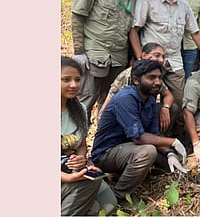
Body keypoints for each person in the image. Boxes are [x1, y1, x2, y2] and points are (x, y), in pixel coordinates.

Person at [91, 59, 188, 204]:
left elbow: (153, 135)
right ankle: (120, 195)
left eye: (159, 78)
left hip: (130, 148)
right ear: (136, 80)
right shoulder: (126, 98)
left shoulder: (149, 99)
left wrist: (170, 153)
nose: (158, 82)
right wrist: (173, 142)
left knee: (170, 167)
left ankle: (132, 174)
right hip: (107, 153)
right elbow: (139, 138)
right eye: (151, 78)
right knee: (148, 152)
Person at [129, 0, 200, 113]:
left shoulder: (184, 6)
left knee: (179, 102)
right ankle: (146, 134)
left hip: (174, 61)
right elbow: (134, 30)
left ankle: (174, 134)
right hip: (151, 60)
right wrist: (140, 59)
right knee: (145, 100)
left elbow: (195, 33)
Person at [72, 0, 140, 124]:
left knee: (109, 105)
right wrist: (79, 52)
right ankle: (71, 145)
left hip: (118, 58)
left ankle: (101, 146)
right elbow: (78, 16)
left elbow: (133, 29)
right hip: (93, 56)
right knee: (83, 103)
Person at [61, 56, 117, 216]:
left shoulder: (79, 109)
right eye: (66, 79)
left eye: (77, 79)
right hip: (62, 175)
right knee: (89, 187)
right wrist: (67, 178)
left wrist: (81, 158)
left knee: (109, 204)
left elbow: (81, 144)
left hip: (71, 168)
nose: (74, 85)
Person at [100, 43, 180, 138]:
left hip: (145, 111)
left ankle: (160, 138)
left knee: (172, 107)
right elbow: (110, 100)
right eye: (157, 55)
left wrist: (165, 108)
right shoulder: (128, 75)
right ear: (144, 55)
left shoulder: (155, 75)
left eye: (163, 57)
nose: (161, 60)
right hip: (127, 114)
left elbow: (168, 95)